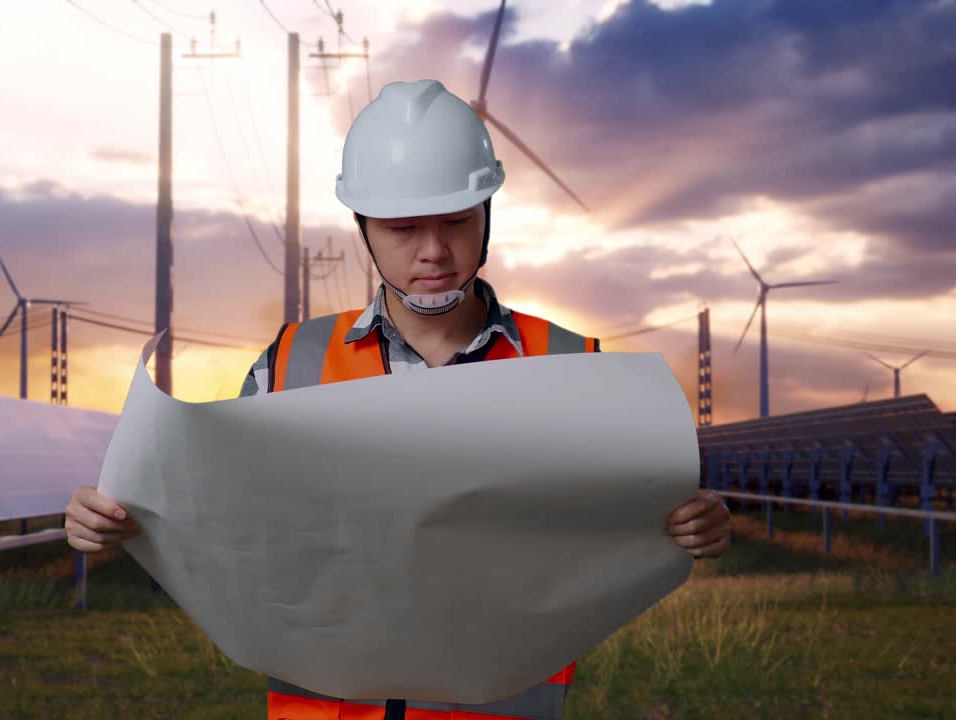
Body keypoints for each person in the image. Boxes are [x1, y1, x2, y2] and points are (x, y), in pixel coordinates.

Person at [66, 79, 731, 720]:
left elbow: (628, 520)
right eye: (403, 228)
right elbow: (219, 520)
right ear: (362, 227)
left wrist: (690, 527)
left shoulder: (575, 370)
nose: (434, 251)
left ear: (488, 214)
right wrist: (121, 523)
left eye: (456, 221)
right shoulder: (290, 366)